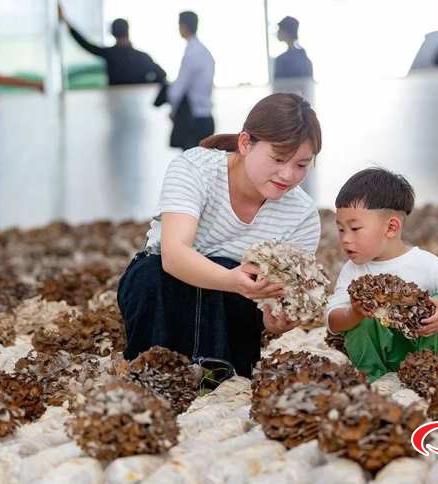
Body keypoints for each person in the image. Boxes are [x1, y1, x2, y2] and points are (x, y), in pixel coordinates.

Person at [117, 93, 322, 378]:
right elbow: (173, 255)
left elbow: (275, 305)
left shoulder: (302, 214)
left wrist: (276, 318)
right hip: (163, 288)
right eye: (278, 158)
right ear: (245, 143)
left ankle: (218, 377)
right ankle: (158, 373)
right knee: (156, 273)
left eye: (301, 165)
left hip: (234, 307)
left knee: (240, 281)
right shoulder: (195, 167)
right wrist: (231, 280)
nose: (287, 175)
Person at [325, 168, 438, 382]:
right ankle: (372, 378)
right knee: (358, 313)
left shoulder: (425, 264)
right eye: (341, 229)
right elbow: (332, 320)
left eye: (354, 228)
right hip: (380, 360)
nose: (345, 239)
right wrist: (353, 313)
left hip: (427, 354)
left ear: (391, 227)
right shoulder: (353, 270)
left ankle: (437, 374)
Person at [58, 7, 166, 86]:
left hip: (116, 106)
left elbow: (86, 45)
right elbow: (161, 75)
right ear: (128, 32)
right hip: (138, 108)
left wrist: (66, 21)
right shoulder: (143, 57)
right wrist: (143, 86)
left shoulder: (110, 54)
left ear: (112, 33)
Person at [164, 11, 215, 150]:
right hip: (206, 117)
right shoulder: (204, 51)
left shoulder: (191, 53)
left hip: (193, 121)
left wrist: (173, 110)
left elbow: (178, 89)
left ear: (183, 26)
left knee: (191, 168)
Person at [274, 16, 313, 80]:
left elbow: (278, 86)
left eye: (279, 29)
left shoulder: (281, 60)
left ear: (286, 32)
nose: (277, 32)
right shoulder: (304, 58)